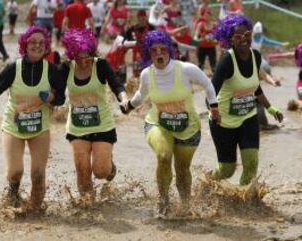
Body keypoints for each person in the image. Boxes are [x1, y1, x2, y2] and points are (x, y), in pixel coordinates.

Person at [0, 26, 66, 211]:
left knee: (37, 173)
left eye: (41, 42)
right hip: (14, 128)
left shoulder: (51, 69)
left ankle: (34, 211)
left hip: (39, 129)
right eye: (33, 42)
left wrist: (52, 98)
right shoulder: (14, 68)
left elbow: (61, 97)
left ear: (46, 46)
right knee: (15, 172)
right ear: (25, 45)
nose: (37, 46)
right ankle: (13, 193)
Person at [122, 30, 220, 218]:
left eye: (163, 49)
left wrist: (214, 107)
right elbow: (141, 95)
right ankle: (163, 199)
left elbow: (208, 85)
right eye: (154, 50)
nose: (159, 53)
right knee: (164, 156)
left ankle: (185, 206)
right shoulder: (146, 74)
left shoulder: (185, 69)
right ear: (148, 54)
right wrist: (129, 106)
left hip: (188, 127)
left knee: (182, 170)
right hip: (158, 123)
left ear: (169, 50)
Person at [211, 15, 283, 185]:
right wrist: (213, 111)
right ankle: (208, 183)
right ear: (230, 40)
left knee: (251, 164)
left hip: (248, 118)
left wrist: (271, 109)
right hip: (224, 122)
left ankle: (243, 203)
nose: (243, 39)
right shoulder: (227, 60)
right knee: (227, 170)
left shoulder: (256, 56)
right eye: (238, 36)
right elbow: (210, 91)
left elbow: (254, 86)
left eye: (247, 34)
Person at [60, 29, 128, 204]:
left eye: (87, 57)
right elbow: (56, 92)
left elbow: (116, 84)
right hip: (77, 127)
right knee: (82, 170)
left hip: (102, 126)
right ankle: (88, 206)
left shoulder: (101, 65)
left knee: (100, 171)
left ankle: (110, 166)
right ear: (72, 54)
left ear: (92, 52)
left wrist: (123, 98)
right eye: (78, 58)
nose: (83, 62)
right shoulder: (66, 67)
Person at [123, 10, 155, 78]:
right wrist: (133, 43)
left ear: (146, 17)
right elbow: (124, 41)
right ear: (138, 18)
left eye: (144, 17)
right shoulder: (133, 28)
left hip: (149, 52)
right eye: (140, 17)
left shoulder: (151, 28)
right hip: (137, 52)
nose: (142, 19)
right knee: (137, 71)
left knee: (149, 71)